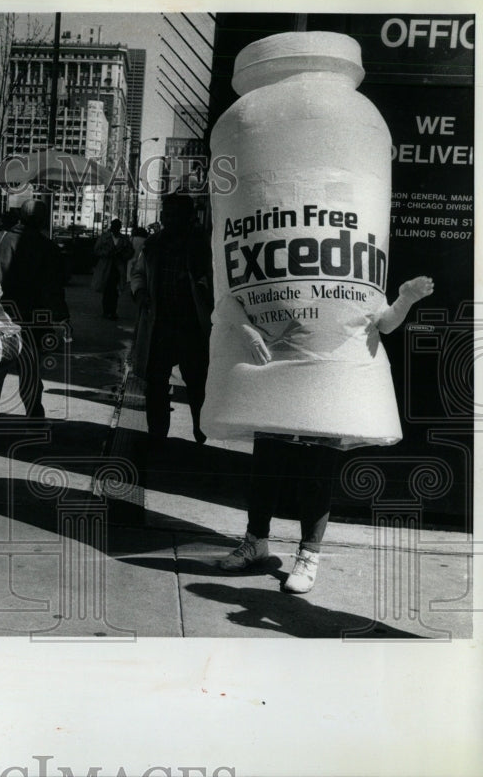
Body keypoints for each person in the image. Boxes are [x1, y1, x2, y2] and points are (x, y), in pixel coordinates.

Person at [218, 275, 435, 592]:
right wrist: (247, 330)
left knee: (316, 476)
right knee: (266, 466)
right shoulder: (282, 264)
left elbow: (384, 323)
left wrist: (406, 299)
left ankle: (308, 554)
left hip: (327, 386)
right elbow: (229, 299)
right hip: (281, 378)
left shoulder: (357, 275)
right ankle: (256, 541)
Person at [129, 193, 213, 447]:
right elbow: (138, 274)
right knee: (155, 382)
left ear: (189, 218)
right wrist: (141, 293)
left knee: (197, 383)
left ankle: (202, 430)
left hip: (191, 326)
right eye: (166, 214)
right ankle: (157, 433)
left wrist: (202, 287)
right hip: (159, 324)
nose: (169, 220)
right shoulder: (153, 244)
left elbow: (214, 277)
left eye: (175, 215)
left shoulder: (202, 245)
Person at [0, 198, 69, 423]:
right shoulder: (47, 247)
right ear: (42, 220)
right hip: (33, 321)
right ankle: (33, 420)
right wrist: (62, 317)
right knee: (30, 374)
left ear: (20, 215)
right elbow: (53, 288)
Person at [92, 218, 133, 319]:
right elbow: (96, 250)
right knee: (107, 290)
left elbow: (131, 252)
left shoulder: (124, 239)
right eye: (114, 226)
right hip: (106, 267)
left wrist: (123, 256)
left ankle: (112, 311)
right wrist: (106, 254)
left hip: (117, 268)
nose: (115, 228)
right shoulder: (104, 237)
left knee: (115, 291)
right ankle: (107, 311)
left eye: (117, 226)